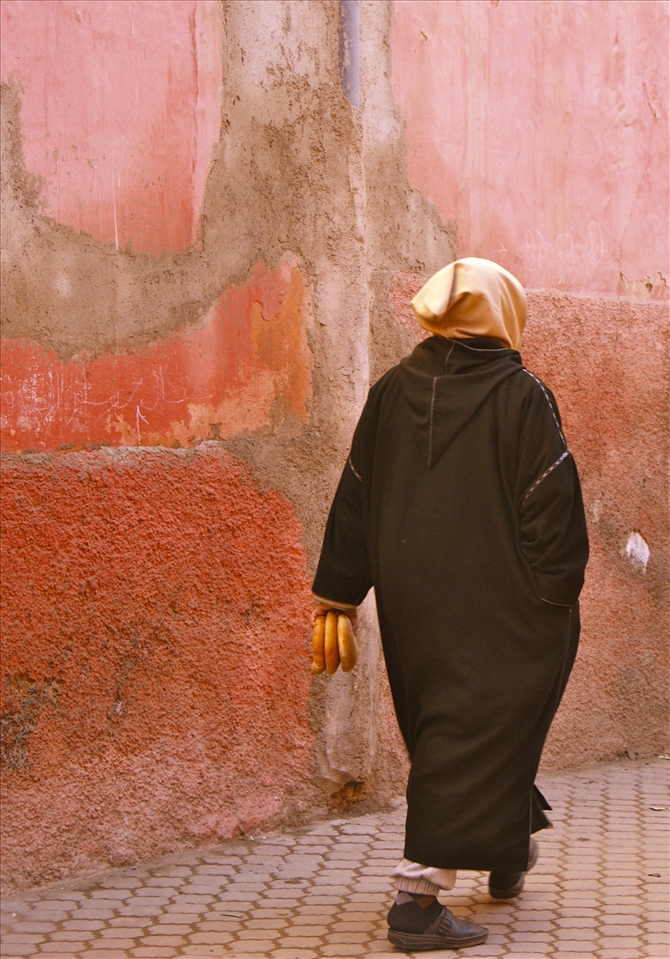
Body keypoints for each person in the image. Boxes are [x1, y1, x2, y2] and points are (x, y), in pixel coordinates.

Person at [311, 257, 589, 952]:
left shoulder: (387, 391)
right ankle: (416, 898)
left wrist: (338, 596)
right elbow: (552, 510)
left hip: (416, 607)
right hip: (505, 605)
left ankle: (507, 843)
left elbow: (356, 495)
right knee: (473, 728)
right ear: (502, 314)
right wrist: (554, 596)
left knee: (459, 723)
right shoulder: (524, 396)